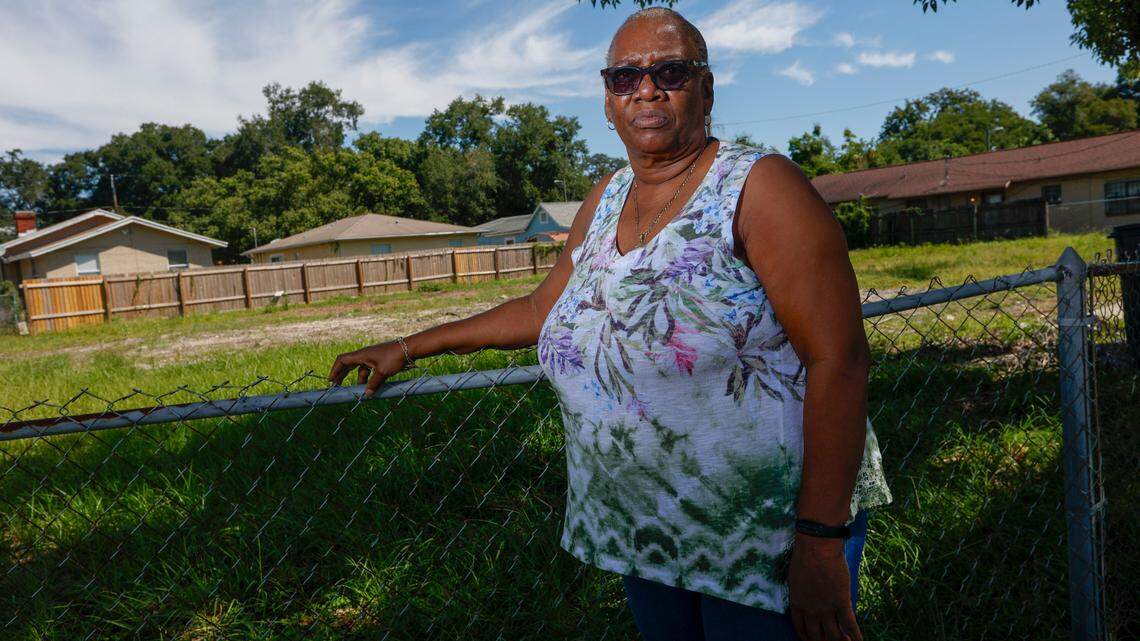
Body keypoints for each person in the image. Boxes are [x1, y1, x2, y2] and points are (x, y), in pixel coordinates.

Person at [328, 7, 892, 641]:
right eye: (624, 77)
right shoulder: (605, 198)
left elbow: (839, 359)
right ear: (607, 99)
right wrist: (410, 346)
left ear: (706, 89)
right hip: (646, 522)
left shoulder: (760, 187)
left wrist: (819, 542)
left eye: (669, 71)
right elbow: (544, 309)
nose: (645, 89)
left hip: (763, 526)